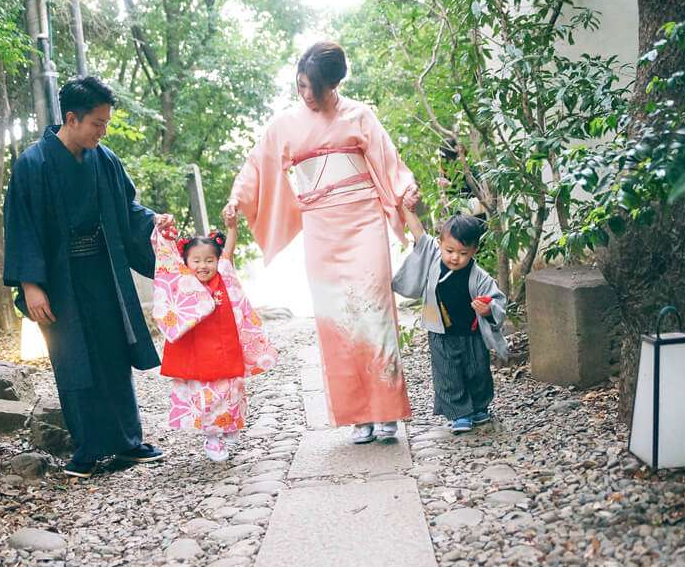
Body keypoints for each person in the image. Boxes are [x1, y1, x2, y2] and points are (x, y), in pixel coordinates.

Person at [223, 41, 420, 444]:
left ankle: (386, 411)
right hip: (321, 227)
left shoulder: (359, 115)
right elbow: (256, 165)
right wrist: (236, 199)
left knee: (375, 312)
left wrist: (405, 190)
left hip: (363, 218)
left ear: (334, 84)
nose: (307, 95)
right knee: (336, 319)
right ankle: (357, 415)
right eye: (301, 86)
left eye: (315, 87)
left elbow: (388, 160)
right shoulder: (285, 125)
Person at [3, 75, 175, 478]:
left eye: (106, 123)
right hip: (58, 280)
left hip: (103, 270)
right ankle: (86, 451)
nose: (103, 130)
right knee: (73, 359)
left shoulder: (106, 160)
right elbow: (21, 225)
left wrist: (154, 223)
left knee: (114, 353)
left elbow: (127, 209)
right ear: (72, 118)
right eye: (98, 123)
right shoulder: (33, 164)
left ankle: (127, 444)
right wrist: (31, 285)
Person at [151, 214, 276, 462]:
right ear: (186, 262)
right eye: (195, 260)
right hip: (198, 352)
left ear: (218, 261)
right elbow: (166, 257)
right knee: (205, 394)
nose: (203, 265)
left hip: (226, 348)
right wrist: (164, 233)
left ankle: (229, 426)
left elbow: (228, 251)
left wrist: (232, 228)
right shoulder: (182, 282)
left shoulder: (224, 278)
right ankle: (212, 437)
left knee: (232, 389)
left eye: (209, 260)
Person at [392, 209, 509, 434]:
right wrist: (408, 208)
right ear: (440, 244)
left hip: (472, 333)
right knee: (447, 373)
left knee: (478, 371)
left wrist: (486, 310)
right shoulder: (434, 258)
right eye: (449, 250)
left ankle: (479, 406)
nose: (455, 257)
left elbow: (497, 302)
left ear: (474, 251)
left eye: (463, 253)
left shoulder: (480, 277)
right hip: (440, 332)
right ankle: (460, 414)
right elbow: (418, 233)